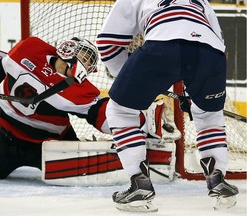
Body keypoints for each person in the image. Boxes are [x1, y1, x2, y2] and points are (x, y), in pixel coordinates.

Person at [96, 0, 239, 212]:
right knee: (209, 115)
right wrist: (195, 92)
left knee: (120, 111)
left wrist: (130, 81)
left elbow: (107, 42)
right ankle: (218, 179)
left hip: (162, 46)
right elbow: (216, 42)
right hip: (211, 54)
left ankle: (139, 184)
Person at [0, 36, 111, 179]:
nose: (86, 65)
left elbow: (101, 114)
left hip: (49, 141)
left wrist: (128, 127)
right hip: (7, 133)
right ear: (69, 50)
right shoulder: (31, 49)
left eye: (89, 63)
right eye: (85, 58)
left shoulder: (80, 90)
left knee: (75, 169)